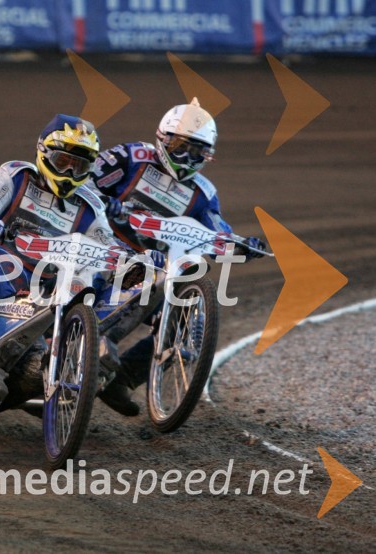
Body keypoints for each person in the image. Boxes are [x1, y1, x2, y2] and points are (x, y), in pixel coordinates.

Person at [0, 114, 160, 420]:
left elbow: (106, 245)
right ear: (44, 153)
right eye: (63, 161)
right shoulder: (15, 175)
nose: (68, 171)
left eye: (78, 166)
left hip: (40, 292)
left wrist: (134, 261)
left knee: (35, 362)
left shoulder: (91, 204)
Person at [90, 98, 266, 416]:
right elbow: (82, 183)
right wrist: (105, 201)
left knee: (188, 321)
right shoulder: (129, 157)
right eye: (182, 147)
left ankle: (123, 377)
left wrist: (240, 245)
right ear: (164, 138)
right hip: (100, 247)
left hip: (150, 266)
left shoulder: (204, 192)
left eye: (197, 152)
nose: (187, 158)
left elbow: (216, 230)